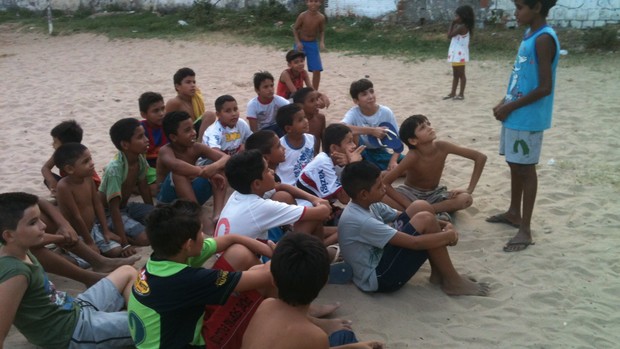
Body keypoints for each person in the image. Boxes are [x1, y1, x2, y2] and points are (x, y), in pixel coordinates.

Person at [127, 199, 275, 349]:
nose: (204, 235)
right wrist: (281, 255)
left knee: (239, 253)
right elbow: (268, 274)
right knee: (265, 281)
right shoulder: (188, 280)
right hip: (194, 345)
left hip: (175, 331)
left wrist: (271, 253)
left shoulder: (164, 258)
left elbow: (232, 238)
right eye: (201, 232)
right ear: (189, 245)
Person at [0, 192, 137, 349]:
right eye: (33, 223)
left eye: (39, 219)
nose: (43, 226)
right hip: (72, 333)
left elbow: (40, 211)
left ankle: (134, 315)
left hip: (75, 309)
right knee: (156, 322)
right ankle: (136, 321)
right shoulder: (15, 273)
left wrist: (61, 237)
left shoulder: (16, 247)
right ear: (9, 235)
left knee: (126, 271)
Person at [338, 161, 490, 296]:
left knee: (420, 206)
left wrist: (445, 225)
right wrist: (448, 236)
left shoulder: (368, 204)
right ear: (364, 194)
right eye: (379, 186)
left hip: (383, 259)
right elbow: (414, 243)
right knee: (425, 219)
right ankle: (452, 281)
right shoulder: (361, 220)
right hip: (379, 279)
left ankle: (439, 273)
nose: (385, 188)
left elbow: (405, 215)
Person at [489, 0, 560, 252]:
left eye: (520, 7)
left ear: (537, 7)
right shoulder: (529, 34)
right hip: (515, 113)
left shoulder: (543, 39)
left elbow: (544, 87)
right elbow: (519, 77)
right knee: (514, 163)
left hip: (528, 117)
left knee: (526, 169)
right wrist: (504, 101)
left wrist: (510, 106)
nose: (516, 12)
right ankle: (513, 212)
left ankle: (525, 230)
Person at [242, 232, 384, 349]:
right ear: (325, 282)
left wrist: (353, 347)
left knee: (347, 340)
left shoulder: (266, 306)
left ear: (273, 281)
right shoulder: (314, 336)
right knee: (346, 336)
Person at [382, 115, 487, 220]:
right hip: (410, 193)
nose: (429, 127)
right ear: (413, 141)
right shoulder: (413, 155)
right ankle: (424, 211)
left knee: (466, 199)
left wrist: (469, 189)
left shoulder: (443, 146)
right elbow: (385, 183)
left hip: (435, 194)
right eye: (422, 128)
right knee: (380, 197)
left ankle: (425, 210)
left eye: (428, 124)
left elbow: (480, 157)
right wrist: (408, 205)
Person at [214, 149, 331, 242]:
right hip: (249, 266)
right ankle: (317, 260)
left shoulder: (239, 193)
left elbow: (280, 186)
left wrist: (313, 198)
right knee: (312, 218)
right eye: (267, 170)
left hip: (229, 260)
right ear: (257, 184)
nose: (272, 172)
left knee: (283, 197)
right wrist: (321, 204)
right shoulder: (258, 207)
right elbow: (322, 212)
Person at [54, 143, 134, 258]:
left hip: (93, 229)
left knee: (116, 250)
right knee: (87, 259)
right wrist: (89, 242)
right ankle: (62, 253)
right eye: (86, 161)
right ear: (69, 169)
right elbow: (76, 216)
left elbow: (97, 205)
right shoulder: (64, 186)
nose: (92, 163)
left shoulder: (88, 178)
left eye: (90, 159)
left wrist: (106, 231)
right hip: (77, 234)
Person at [156, 111, 229, 223]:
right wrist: (203, 172)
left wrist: (213, 168)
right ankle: (200, 219)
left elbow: (226, 158)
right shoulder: (165, 151)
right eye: (187, 130)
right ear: (173, 137)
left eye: (193, 128)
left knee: (219, 168)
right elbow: (176, 165)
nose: (193, 133)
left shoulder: (196, 147)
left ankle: (217, 215)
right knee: (179, 173)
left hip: (190, 196)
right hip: (169, 202)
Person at [99, 118, 153, 249]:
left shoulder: (139, 159)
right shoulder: (115, 169)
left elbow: (144, 188)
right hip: (108, 213)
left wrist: (153, 214)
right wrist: (124, 242)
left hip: (126, 207)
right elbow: (113, 208)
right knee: (146, 238)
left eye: (145, 134)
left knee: (163, 220)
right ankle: (117, 235)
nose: (146, 139)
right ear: (125, 145)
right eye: (140, 137)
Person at [341, 78, 403, 171]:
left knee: (406, 162)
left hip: (380, 152)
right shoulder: (354, 113)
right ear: (356, 101)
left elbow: (398, 138)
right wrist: (371, 131)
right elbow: (340, 128)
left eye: (371, 91)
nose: (370, 96)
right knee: (351, 133)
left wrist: (393, 161)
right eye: (364, 94)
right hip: (360, 151)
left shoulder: (386, 112)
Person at [297, 124, 363, 206]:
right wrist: (353, 165)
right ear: (334, 148)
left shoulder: (340, 162)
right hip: (305, 207)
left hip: (321, 206)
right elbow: (345, 199)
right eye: (349, 142)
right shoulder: (323, 162)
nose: (354, 146)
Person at [41, 120, 101, 196]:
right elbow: (45, 168)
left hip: (88, 187)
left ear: (65, 145)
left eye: (55, 142)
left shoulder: (79, 155)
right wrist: (52, 182)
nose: (52, 144)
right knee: (47, 179)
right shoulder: (59, 154)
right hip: (69, 183)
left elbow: (87, 180)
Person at [165, 67, 216, 139]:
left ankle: (200, 142)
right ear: (177, 86)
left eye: (194, 82)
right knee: (210, 115)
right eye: (188, 82)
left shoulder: (195, 99)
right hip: (183, 135)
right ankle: (200, 144)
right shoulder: (174, 103)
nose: (192, 85)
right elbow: (166, 125)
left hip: (196, 132)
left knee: (210, 115)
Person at [275, 103, 315, 186]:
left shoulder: (311, 139)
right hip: (288, 187)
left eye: (305, 117)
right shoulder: (279, 146)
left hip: (308, 183)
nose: (306, 121)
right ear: (288, 128)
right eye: (300, 120)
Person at [293, 0, 326, 90]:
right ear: (307, 2)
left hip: (313, 44)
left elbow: (322, 30)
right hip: (301, 43)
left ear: (320, 3)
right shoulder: (302, 16)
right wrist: (298, 42)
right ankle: (295, 89)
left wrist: (322, 42)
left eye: (316, 1)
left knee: (317, 69)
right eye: (311, 1)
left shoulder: (321, 17)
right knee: (295, 68)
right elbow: (295, 29)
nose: (313, 4)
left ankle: (314, 91)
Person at [444, 5, 475, 100]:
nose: (455, 18)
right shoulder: (461, 26)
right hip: (456, 54)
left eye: (457, 16)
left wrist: (452, 24)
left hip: (459, 55)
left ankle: (461, 94)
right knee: (455, 74)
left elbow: (449, 35)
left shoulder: (462, 27)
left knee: (461, 74)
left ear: (463, 17)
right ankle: (453, 93)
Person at [138, 91, 168, 189]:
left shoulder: (169, 125)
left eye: (163, 109)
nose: (161, 114)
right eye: (156, 111)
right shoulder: (140, 129)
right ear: (144, 114)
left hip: (164, 163)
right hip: (147, 167)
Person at [246, 71, 290, 136]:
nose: (270, 89)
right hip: (262, 131)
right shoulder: (252, 105)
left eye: (272, 86)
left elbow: (292, 109)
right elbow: (254, 130)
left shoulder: (277, 100)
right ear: (257, 90)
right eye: (265, 87)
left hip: (277, 128)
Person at [293, 87, 326, 154]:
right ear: (300, 105)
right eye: (312, 101)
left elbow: (325, 143)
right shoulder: (294, 123)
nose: (317, 103)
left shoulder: (320, 118)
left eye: (317, 99)